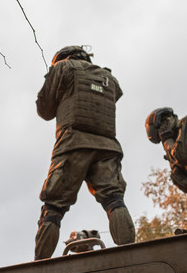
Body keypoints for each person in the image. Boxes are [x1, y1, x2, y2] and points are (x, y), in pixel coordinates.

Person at [34, 45, 135, 260]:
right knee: (114, 200)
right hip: (108, 147)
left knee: (53, 207)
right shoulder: (110, 78)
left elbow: (45, 110)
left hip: (72, 143)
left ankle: (39, 265)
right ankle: (132, 256)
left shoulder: (63, 68)